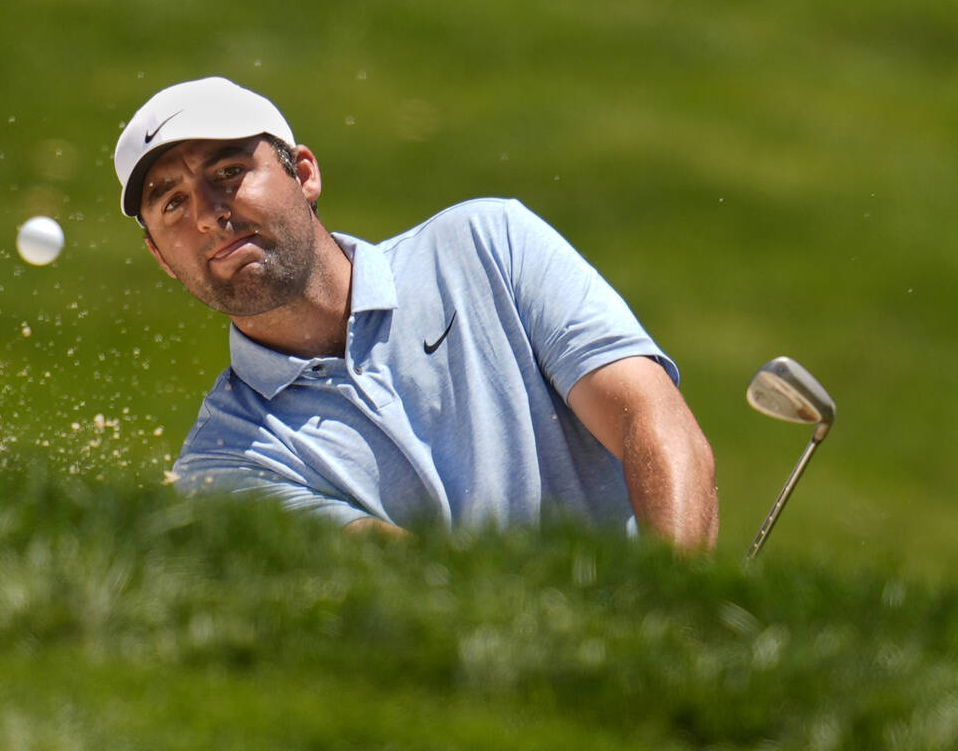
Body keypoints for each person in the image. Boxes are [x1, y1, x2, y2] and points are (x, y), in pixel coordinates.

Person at [114, 76, 718, 550]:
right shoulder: (224, 461)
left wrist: (669, 606)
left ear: (303, 173)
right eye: (171, 203)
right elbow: (417, 581)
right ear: (161, 257)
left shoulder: (488, 243)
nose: (208, 214)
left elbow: (649, 417)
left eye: (229, 172)